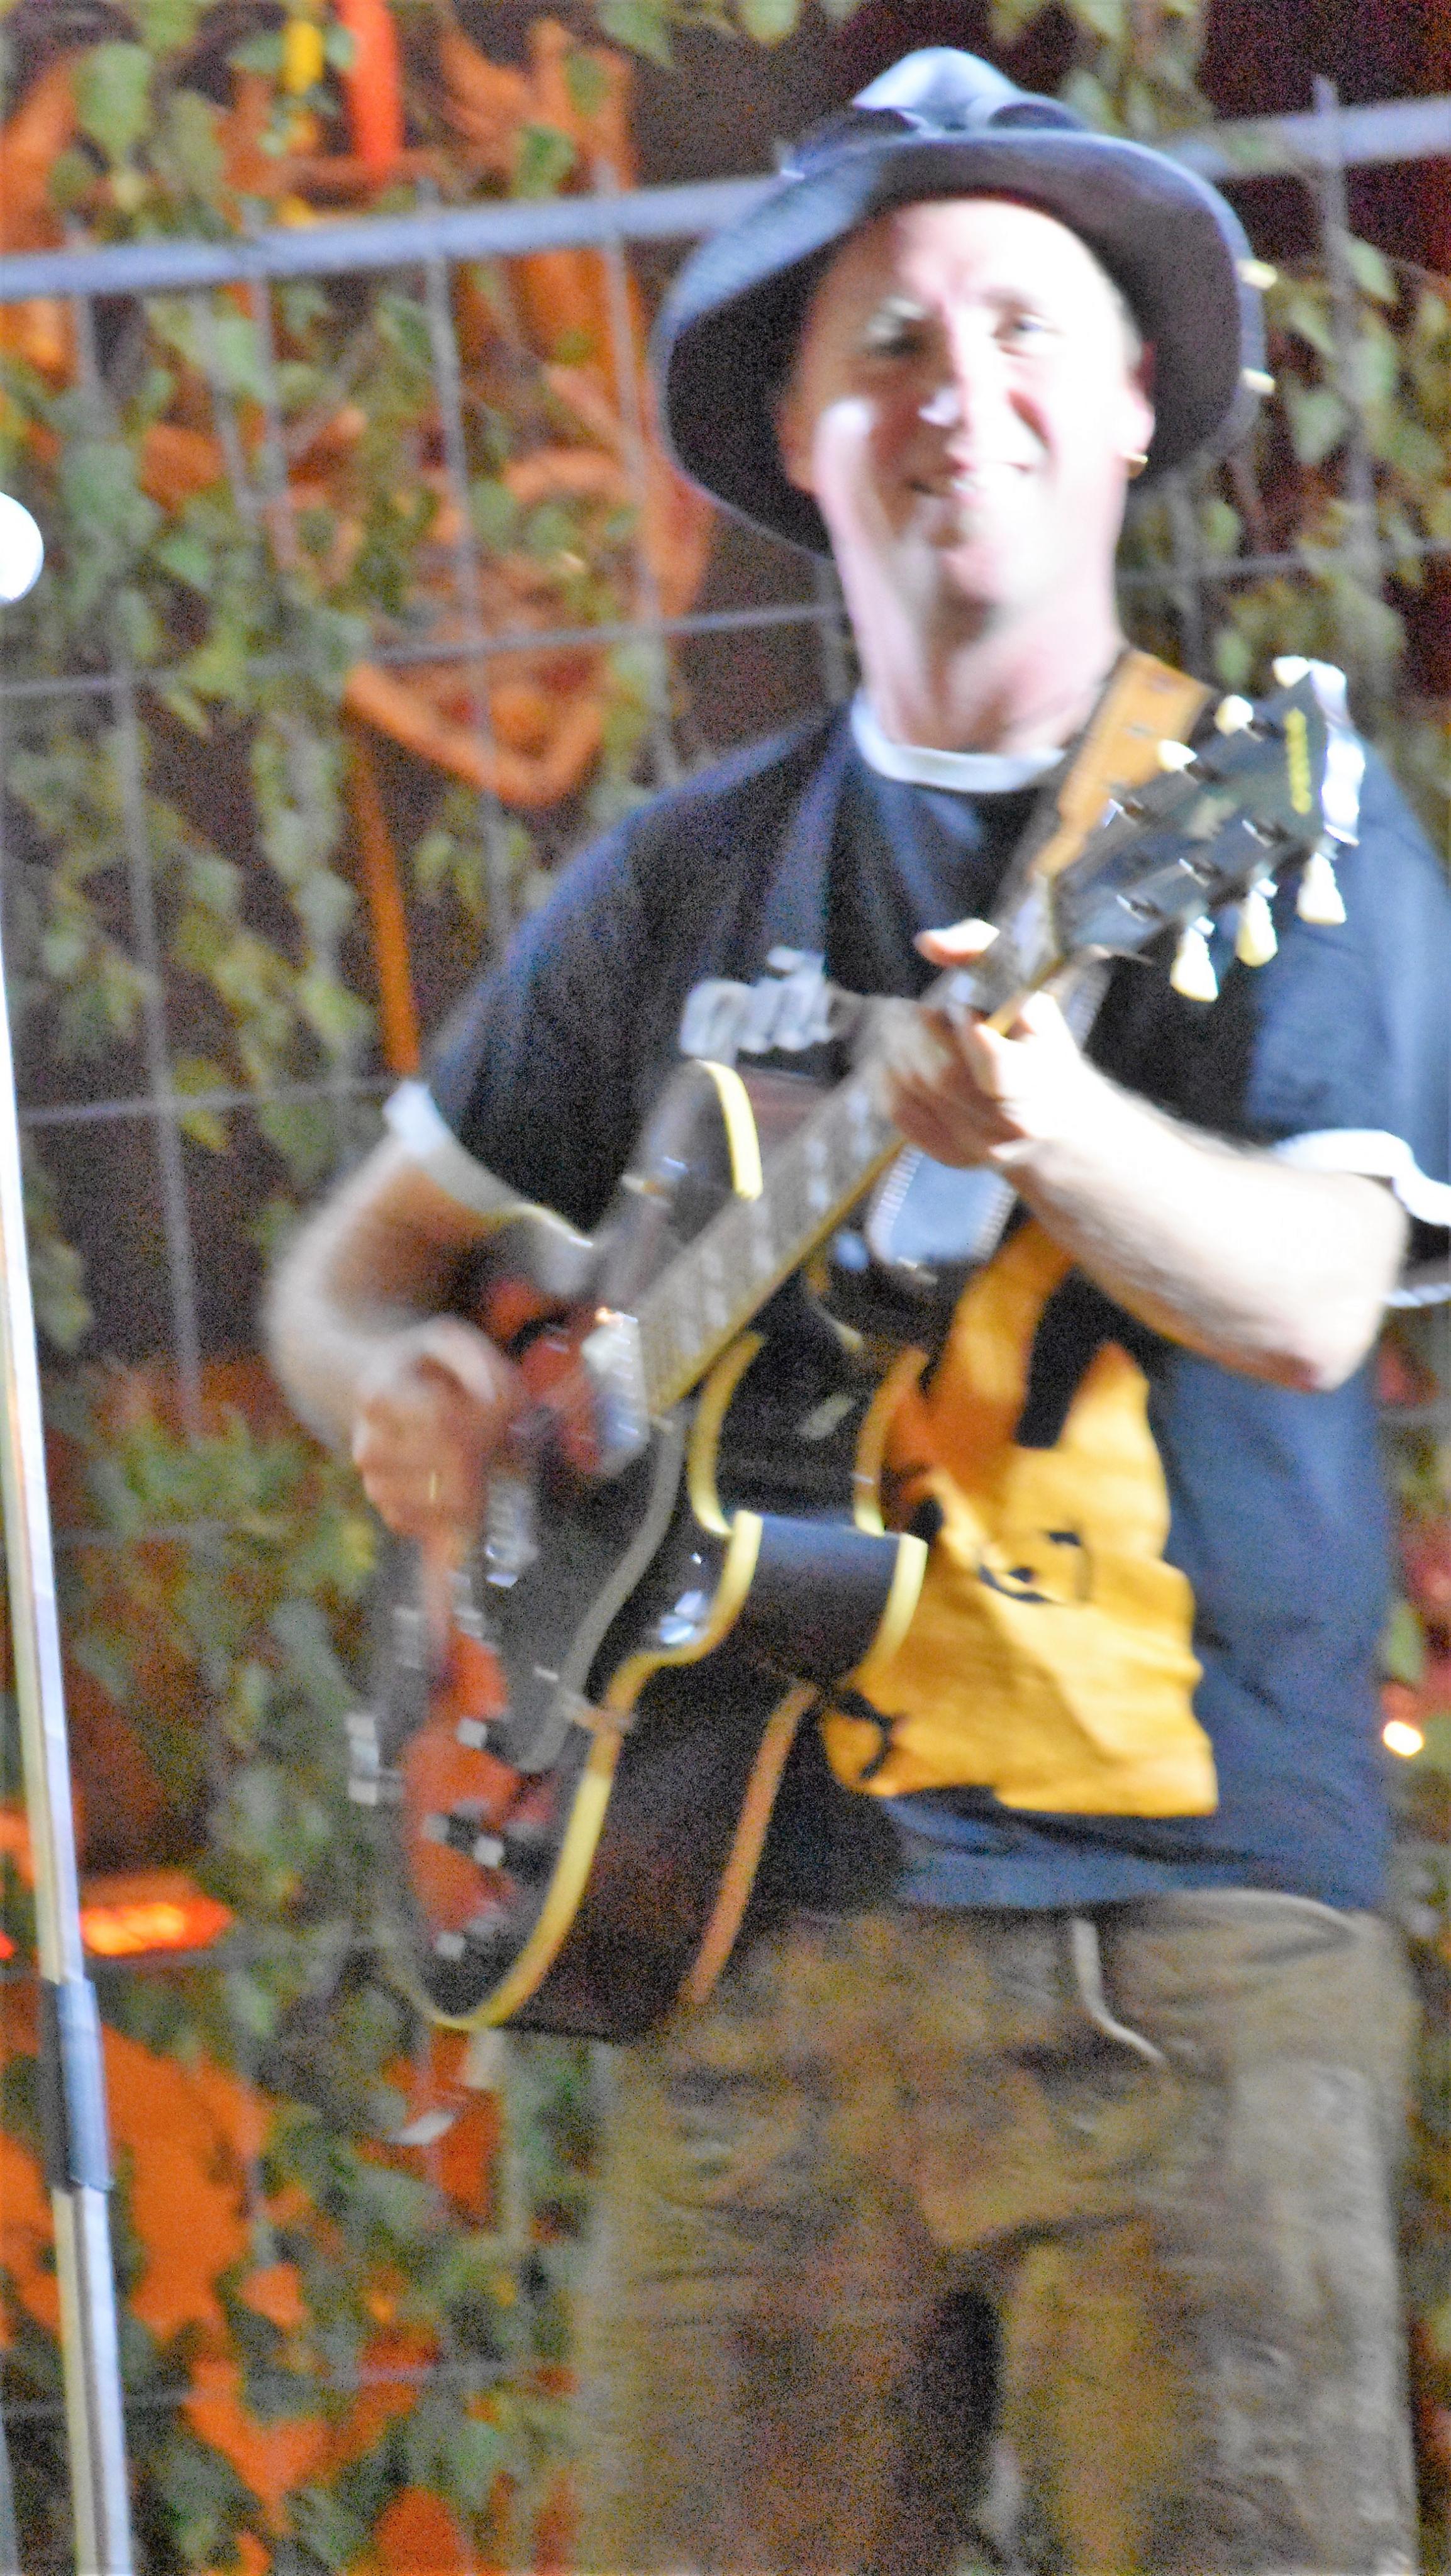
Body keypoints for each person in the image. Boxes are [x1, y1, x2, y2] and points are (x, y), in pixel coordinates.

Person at [267, 47, 1451, 2574]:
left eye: (1023, 328)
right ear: (795, 441)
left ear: (1129, 407)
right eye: (887, 343)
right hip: (734, 1951)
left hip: (1173, 1949)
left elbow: (1311, 1302)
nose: (958, 391)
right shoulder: (677, 872)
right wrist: (412, 1386)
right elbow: (341, 1275)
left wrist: (1048, 1130)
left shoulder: (1269, 822)